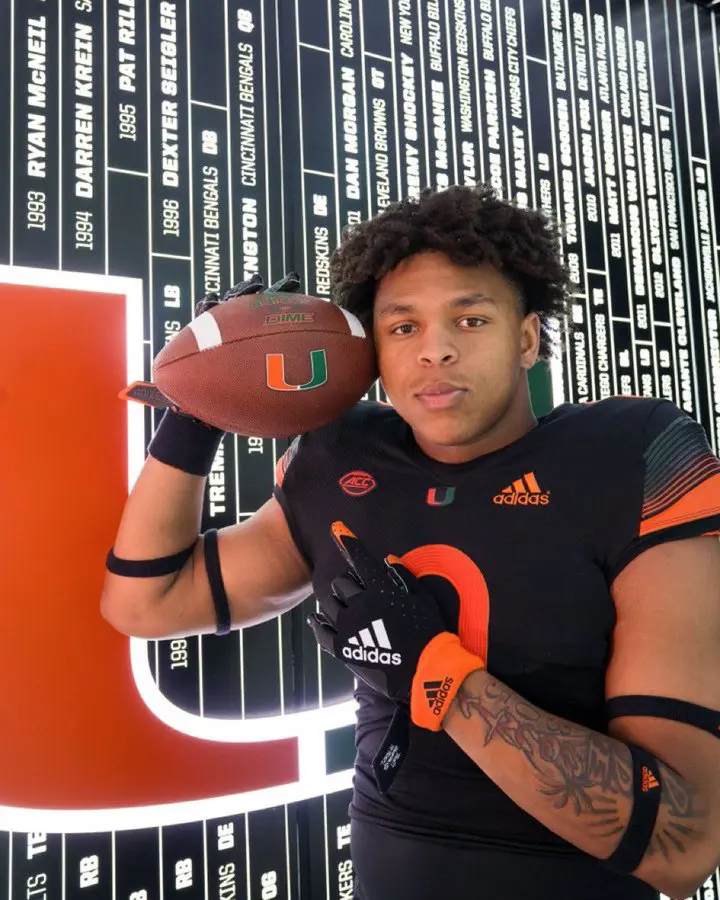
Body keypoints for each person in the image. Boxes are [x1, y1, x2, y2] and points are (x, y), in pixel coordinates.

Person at [101, 183, 720, 900]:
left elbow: (683, 842)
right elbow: (148, 603)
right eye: (402, 328)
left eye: (470, 319)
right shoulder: (342, 460)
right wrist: (195, 410)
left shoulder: (630, 457)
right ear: (372, 354)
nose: (436, 351)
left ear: (527, 338)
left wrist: (438, 674)